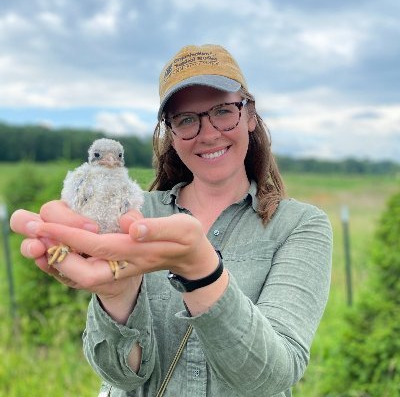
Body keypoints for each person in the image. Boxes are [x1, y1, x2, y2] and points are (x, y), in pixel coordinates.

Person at [10, 44, 332, 397]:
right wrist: (116, 295)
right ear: (171, 133)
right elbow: (121, 377)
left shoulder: (301, 225)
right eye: (187, 119)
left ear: (250, 115)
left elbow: (272, 376)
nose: (208, 134)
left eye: (223, 111)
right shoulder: (134, 213)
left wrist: (202, 271)